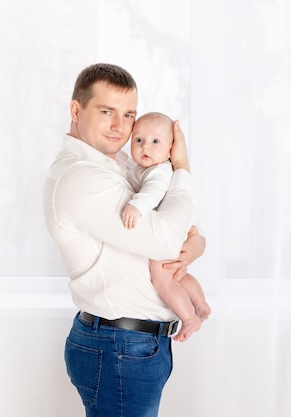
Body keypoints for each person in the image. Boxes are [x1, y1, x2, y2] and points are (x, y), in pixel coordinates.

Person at [43, 63, 206, 417]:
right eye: (107, 112)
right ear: (76, 111)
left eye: (129, 114)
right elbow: (165, 238)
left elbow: (176, 226)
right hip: (119, 347)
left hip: (131, 344)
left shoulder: (118, 166)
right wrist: (182, 167)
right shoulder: (82, 178)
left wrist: (196, 244)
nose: (121, 126)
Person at [121, 111, 211, 342]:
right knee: (179, 274)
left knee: (162, 280)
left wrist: (136, 206)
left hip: (167, 231)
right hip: (176, 228)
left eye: (155, 142)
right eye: (139, 140)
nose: (145, 148)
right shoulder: (139, 168)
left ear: (171, 149)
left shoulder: (159, 171)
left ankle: (189, 317)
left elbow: (153, 191)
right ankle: (200, 305)